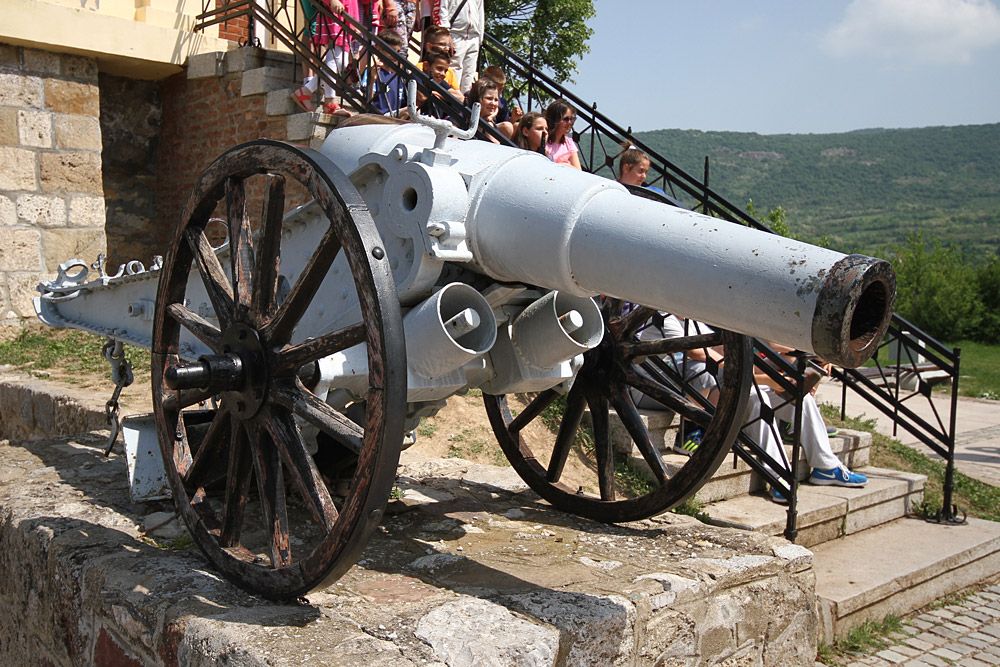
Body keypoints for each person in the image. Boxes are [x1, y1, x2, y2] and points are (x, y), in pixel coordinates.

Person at [637, 314, 867, 503]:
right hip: (681, 385)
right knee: (758, 398)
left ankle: (826, 466)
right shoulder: (664, 317)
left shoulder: (698, 321)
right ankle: (778, 476)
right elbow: (704, 357)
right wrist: (767, 379)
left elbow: (730, 354)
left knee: (802, 400)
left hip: (723, 385)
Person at [291, 0, 361, 114]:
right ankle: (329, 102)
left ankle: (308, 92)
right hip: (335, 17)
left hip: (344, 17)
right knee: (335, 60)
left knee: (340, 62)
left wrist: (354, 22)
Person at [438, 0, 484, 93]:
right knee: (454, 68)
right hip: (455, 33)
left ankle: (464, 101)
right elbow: (443, 8)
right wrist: (446, 33)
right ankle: (452, 99)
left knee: (469, 73)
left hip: (473, 36)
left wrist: (480, 38)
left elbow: (480, 13)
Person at [370, 30, 407, 115]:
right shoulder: (375, 72)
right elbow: (368, 101)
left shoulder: (399, 75)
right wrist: (372, 80)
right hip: (379, 116)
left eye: (398, 52)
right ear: (379, 49)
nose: (395, 55)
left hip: (395, 117)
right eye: (391, 51)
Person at [415, 51, 457, 117]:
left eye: (445, 71)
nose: (443, 74)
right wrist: (443, 95)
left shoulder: (439, 81)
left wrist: (437, 94)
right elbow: (422, 97)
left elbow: (458, 97)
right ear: (426, 66)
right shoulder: (417, 76)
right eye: (439, 68)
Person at [544, 100, 582, 169]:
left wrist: (565, 166)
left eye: (572, 119)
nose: (570, 122)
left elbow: (578, 171)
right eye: (566, 119)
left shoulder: (569, 143)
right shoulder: (543, 141)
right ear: (555, 119)